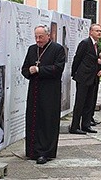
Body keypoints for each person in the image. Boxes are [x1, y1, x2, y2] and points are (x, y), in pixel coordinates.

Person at [21, 25, 66, 164]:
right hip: (34, 90)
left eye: (40, 37)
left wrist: (39, 70)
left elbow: (58, 69)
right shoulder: (31, 49)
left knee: (47, 121)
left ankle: (45, 152)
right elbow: (24, 69)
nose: (38, 40)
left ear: (48, 36)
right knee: (33, 119)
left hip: (50, 92)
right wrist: (29, 71)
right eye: (36, 37)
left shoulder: (57, 49)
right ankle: (32, 151)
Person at [70, 24, 101, 134]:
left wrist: (100, 68)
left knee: (89, 102)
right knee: (80, 102)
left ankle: (86, 124)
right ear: (90, 32)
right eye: (97, 31)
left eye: (100, 31)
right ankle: (74, 126)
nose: (99, 33)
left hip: (92, 77)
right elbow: (77, 58)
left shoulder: (96, 45)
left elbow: (96, 60)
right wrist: (74, 73)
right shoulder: (85, 43)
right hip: (83, 77)